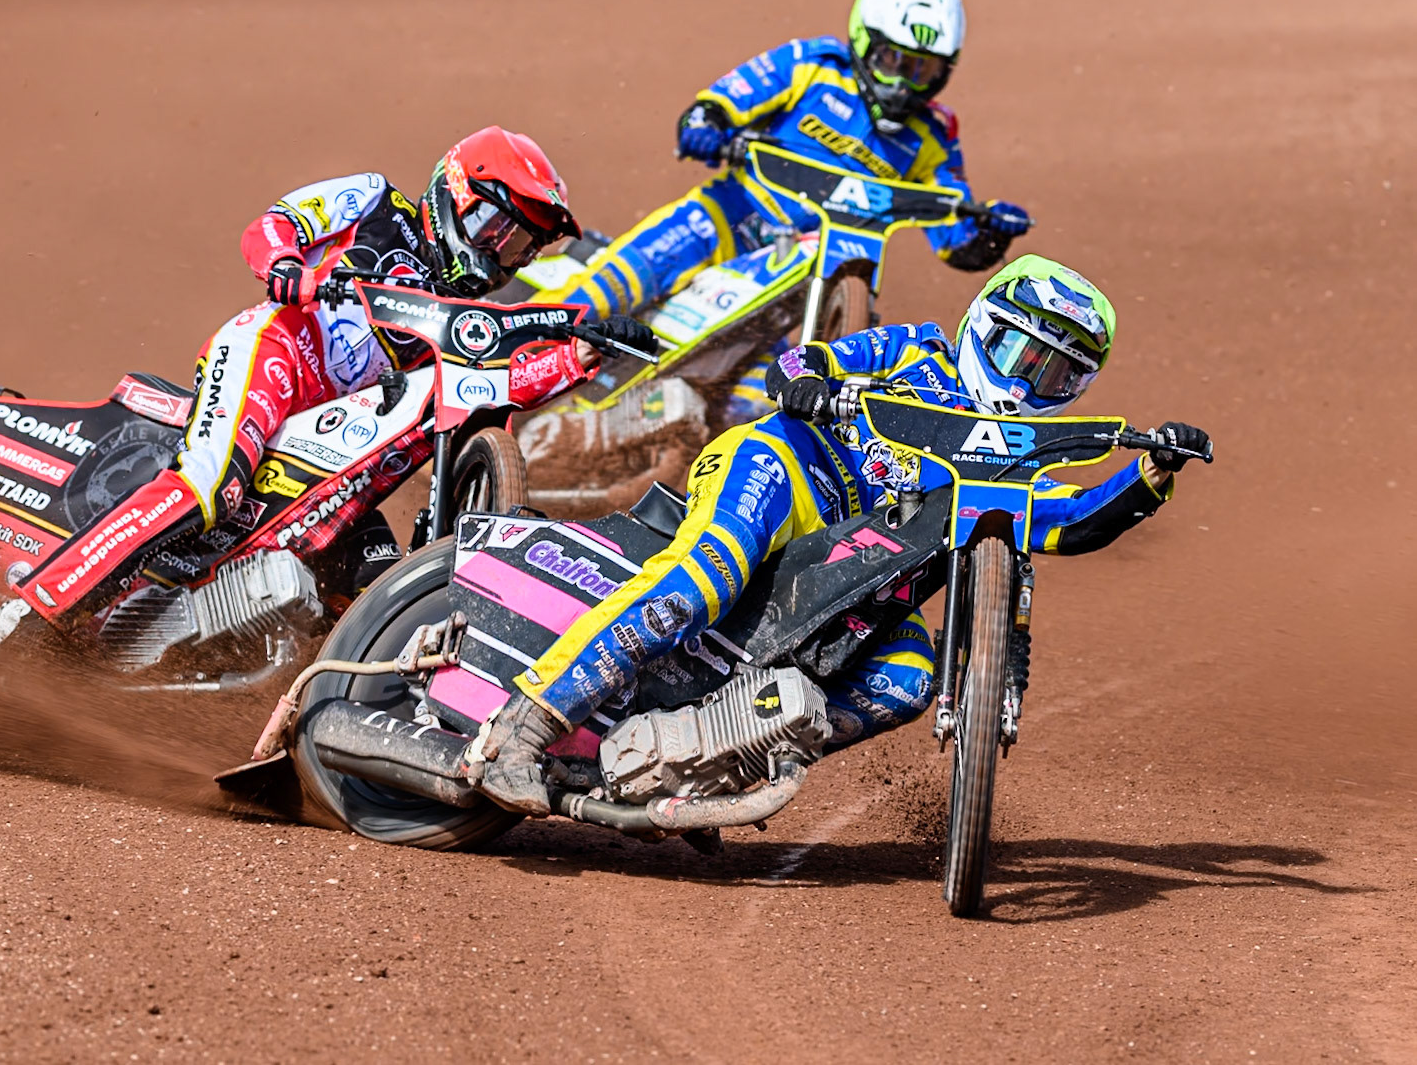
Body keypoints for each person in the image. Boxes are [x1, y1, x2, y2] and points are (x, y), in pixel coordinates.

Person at [477, 254, 1210, 814]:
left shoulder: (1021, 467)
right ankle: (524, 727)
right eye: (1024, 355)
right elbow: (815, 357)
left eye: (1055, 376)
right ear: (986, 326)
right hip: (789, 473)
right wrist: (811, 380)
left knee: (909, 677)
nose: (1028, 383)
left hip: (859, 585)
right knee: (704, 580)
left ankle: (695, 761)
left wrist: (1152, 474)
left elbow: (1076, 523)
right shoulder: (918, 349)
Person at [0, 126, 651, 640]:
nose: (501, 255)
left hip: (336, 432)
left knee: (372, 585)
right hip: (278, 353)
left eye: (520, 249)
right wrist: (284, 266)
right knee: (209, 487)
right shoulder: (374, 200)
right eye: (498, 231)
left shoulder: (460, 318)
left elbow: (501, 369)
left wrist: (586, 349)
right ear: (459, 193)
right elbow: (274, 226)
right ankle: (39, 611)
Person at [551, 0, 1033, 422]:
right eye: (893, 61)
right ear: (865, 40)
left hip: (817, 277)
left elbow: (956, 238)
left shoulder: (935, 133)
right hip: (731, 221)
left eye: (921, 71)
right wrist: (707, 125)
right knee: (608, 290)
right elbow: (719, 103)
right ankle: (510, 358)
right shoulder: (811, 65)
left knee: (783, 397)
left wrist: (991, 230)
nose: (903, 86)